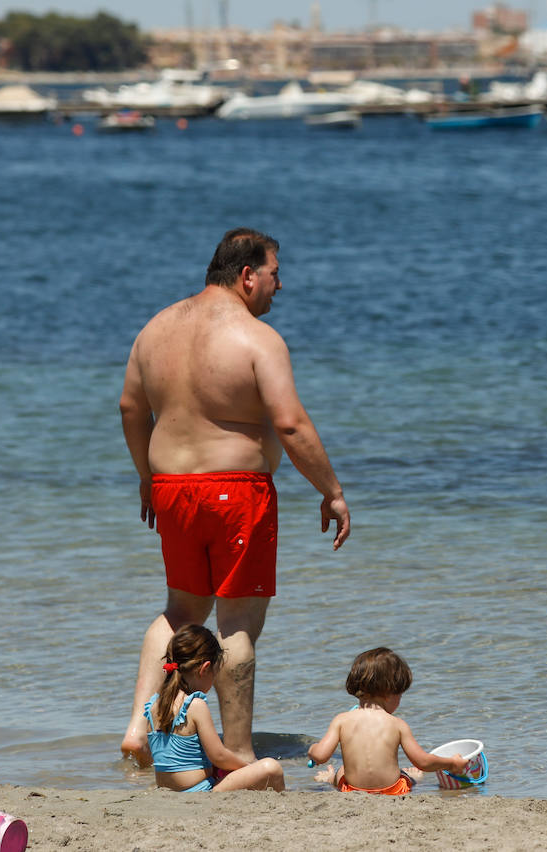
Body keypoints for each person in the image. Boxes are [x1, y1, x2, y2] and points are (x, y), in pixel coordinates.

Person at [119, 227, 351, 765]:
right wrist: (332, 491)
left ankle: (138, 728)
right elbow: (290, 426)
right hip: (236, 493)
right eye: (274, 274)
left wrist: (147, 477)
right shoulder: (256, 339)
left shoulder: (154, 330)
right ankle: (239, 751)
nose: (279, 286)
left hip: (172, 489)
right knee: (238, 622)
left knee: (179, 610)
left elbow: (132, 410)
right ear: (247, 276)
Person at [143, 623, 285, 792]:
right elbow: (219, 756)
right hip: (200, 791)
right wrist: (247, 767)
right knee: (271, 768)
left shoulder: (152, 706)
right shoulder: (195, 705)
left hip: (167, 791)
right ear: (205, 669)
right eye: (215, 673)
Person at [306, 648, 467, 795]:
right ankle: (412, 777)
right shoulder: (397, 724)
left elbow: (320, 756)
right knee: (404, 775)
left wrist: (312, 749)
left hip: (353, 791)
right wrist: (452, 763)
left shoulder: (341, 720)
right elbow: (423, 762)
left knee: (341, 771)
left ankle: (329, 778)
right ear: (388, 693)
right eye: (400, 695)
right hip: (393, 790)